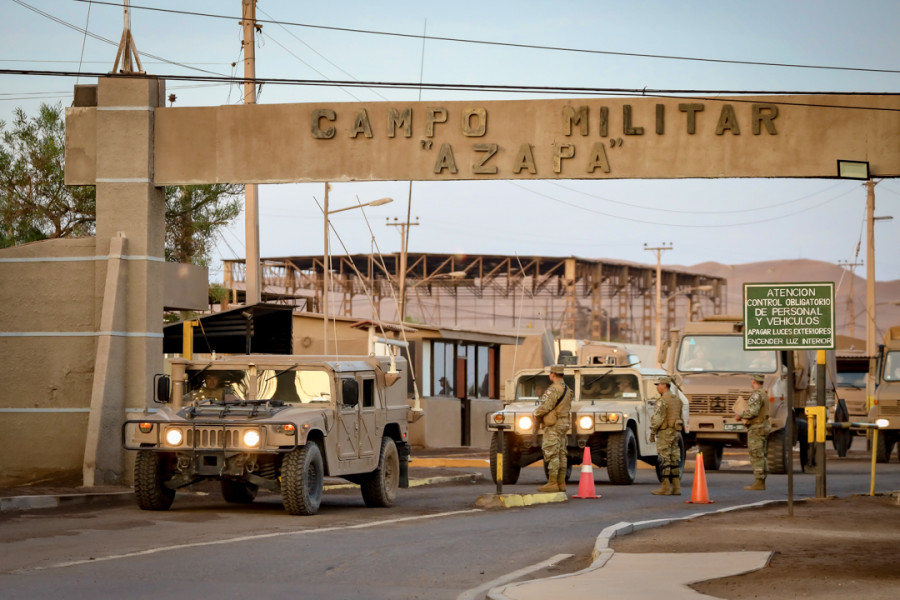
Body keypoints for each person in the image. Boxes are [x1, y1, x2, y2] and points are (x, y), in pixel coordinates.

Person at [533, 365, 572, 493]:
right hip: (564, 423)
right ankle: (561, 483)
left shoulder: (553, 389)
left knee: (551, 452)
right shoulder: (567, 389)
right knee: (561, 453)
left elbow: (546, 406)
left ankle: (553, 482)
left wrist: (535, 413)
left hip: (553, 425)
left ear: (552, 374)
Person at [650, 376, 685, 496]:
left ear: (664, 385)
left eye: (658, 384)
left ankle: (665, 487)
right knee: (674, 458)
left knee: (664, 459)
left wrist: (653, 431)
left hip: (665, 432)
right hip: (676, 431)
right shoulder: (676, 399)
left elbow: (658, 419)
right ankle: (676, 487)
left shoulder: (662, 400)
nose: (657, 387)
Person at [736, 373, 770, 490]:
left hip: (757, 427)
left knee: (756, 454)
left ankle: (759, 482)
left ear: (754, 381)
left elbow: (753, 412)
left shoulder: (756, 395)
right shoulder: (764, 393)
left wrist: (740, 415)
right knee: (761, 454)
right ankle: (761, 481)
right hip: (763, 426)